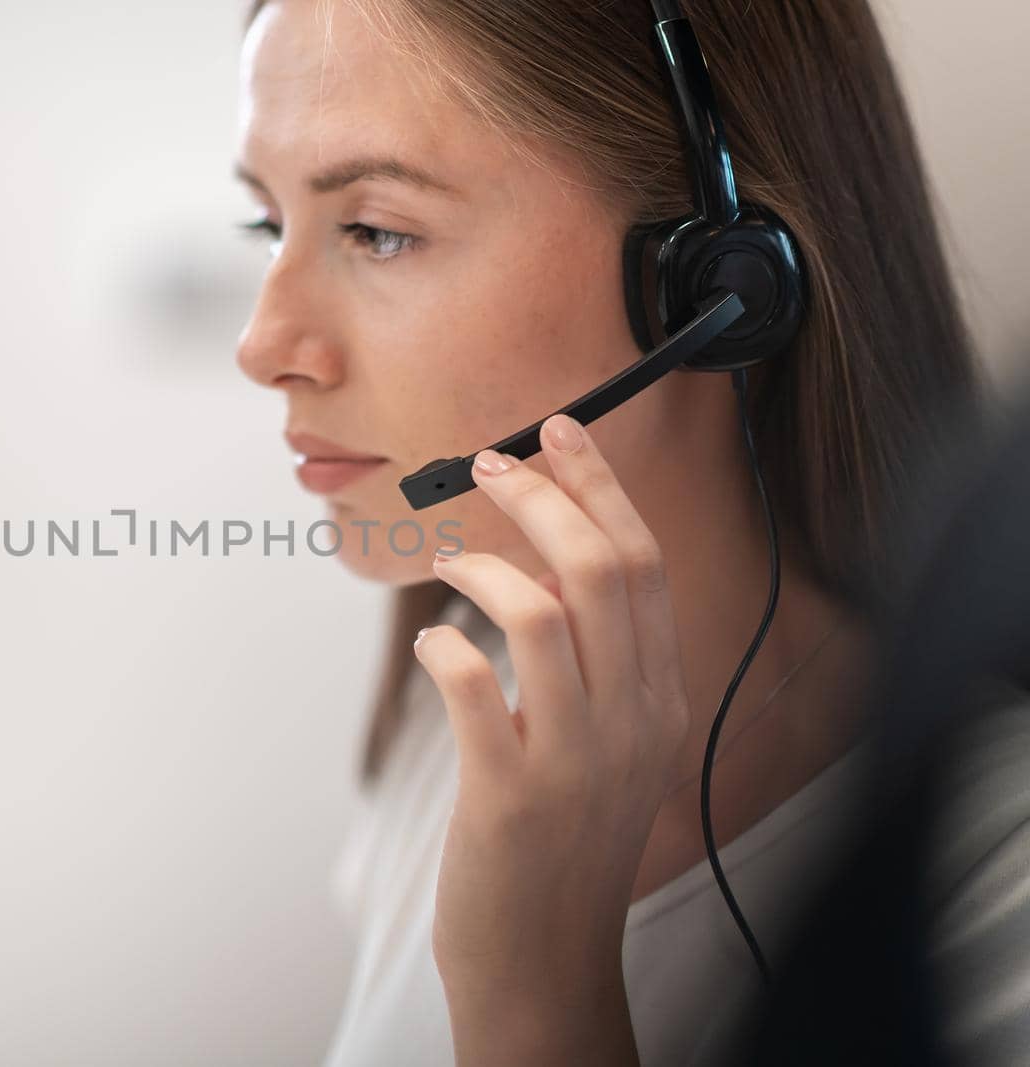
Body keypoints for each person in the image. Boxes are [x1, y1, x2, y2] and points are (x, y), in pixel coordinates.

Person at [230, 1, 1023, 1063]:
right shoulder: (470, 694)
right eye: (267, 226)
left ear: (718, 283)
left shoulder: (992, 880)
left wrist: (537, 998)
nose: (263, 344)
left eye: (378, 229)